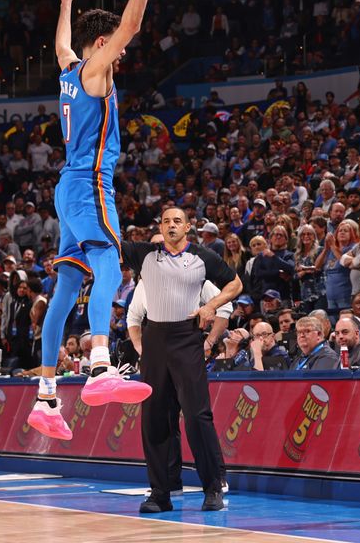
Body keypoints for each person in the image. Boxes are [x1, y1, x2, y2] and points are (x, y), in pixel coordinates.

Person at [27, 0, 160, 441]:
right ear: (100, 44)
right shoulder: (94, 70)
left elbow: (63, 43)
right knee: (108, 258)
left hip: (66, 190)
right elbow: (130, 25)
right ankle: (101, 368)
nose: (122, 53)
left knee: (64, 289)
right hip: (88, 185)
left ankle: (45, 398)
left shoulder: (66, 70)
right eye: (115, 48)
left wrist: (64, 4)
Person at [121, 207, 242, 513]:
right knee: (154, 419)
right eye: (166, 221)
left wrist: (211, 305)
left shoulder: (202, 257)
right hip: (155, 341)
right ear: (160, 227)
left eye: (177, 221)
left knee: (197, 415)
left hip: (186, 338)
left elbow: (236, 284)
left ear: (188, 227)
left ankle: (213, 487)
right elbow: (109, 241)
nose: (171, 225)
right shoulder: (145, 254)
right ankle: (161, 493)